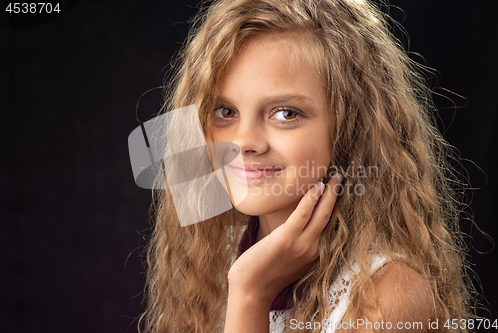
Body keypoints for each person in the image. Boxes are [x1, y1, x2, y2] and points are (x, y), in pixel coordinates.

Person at [138, 0, 473, 332]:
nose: (243, 142)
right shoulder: (216, 255)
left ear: (350, 128)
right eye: (226, 112)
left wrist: (251, 294)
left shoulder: (389, 294)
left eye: (285, 113)